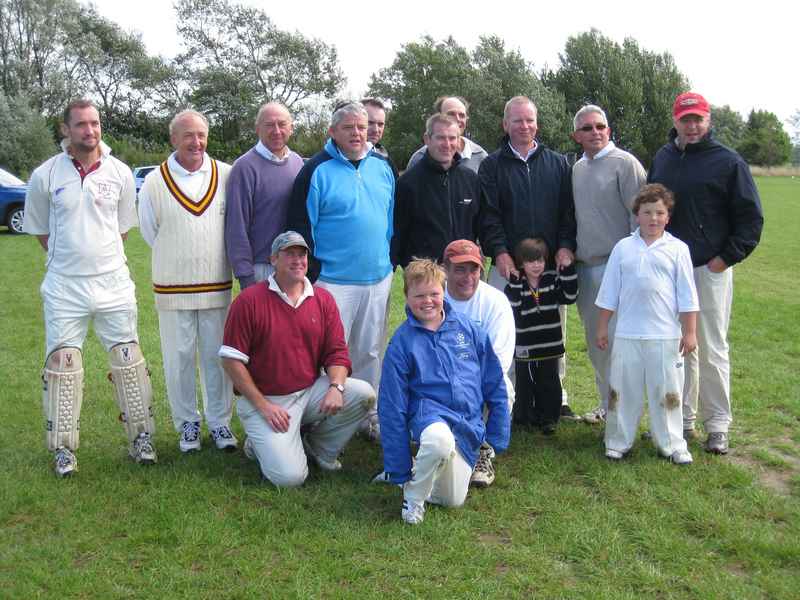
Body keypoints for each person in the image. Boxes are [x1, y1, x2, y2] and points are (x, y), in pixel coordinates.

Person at [23, 99, 157, 476]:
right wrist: (72, 260)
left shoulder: (119, 172)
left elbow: (123, 227)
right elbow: (41, 231)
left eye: (95, 123)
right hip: (65, 285)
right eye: (81, 124)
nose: (90, 131)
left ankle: (141, 438)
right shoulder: (45, 175)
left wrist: (98, 260)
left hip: (113, 281)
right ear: (66, 129)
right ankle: (64, 449)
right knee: (64, 364)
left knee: (128, 359)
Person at [647, 92, 763, 454]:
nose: (692, 126)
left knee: (711, 347)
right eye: (686, 119)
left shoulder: (728, 162)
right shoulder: (664, 158)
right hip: (668, 270)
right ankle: (681, 419)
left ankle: (718, 425)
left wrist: (723, 259)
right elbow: (651, 206)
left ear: (708, 119)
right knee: (676, 347)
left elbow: (750, 219)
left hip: (708, 268)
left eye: (698, 119)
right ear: (675, 119)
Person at [219, 231, 375, 487]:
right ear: (273, 259)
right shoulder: (249, 301)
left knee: (363, 393)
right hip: (266, 400)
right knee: (290, 478)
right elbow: (231, 360)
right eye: (289, 254)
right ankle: (256, 445)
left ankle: (319, 448)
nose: (297, 260)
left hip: (308, 391)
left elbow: (337, 352)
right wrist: (263, 406)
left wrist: (336, 387)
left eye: (301, 254)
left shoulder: (322, 299)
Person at [287, 101, 394, 440]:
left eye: (362, 128)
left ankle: (368, 414)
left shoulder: (383, 167)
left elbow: (391, 220)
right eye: (349, 128)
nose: (358, 134)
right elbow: (301, 227)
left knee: (370, 351)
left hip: (377, 278)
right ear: (332, 132)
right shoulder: (315, 170)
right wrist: (311, 276)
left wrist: (387, 262)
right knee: (328, 355)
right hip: (332, 282)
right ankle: (320, 420)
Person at [378, 259, 510, 524]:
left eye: (434, 294)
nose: (428, 301)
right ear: (406, 296)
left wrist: (496, 433)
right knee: (439, 442)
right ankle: (413, 496)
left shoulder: (468, 330)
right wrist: (398, 466)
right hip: (429, 417)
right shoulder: (402, 343)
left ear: (444, 291)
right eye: (419, 295)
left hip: (466, 424)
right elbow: (391, 406)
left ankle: (425, 467)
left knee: (452, 500)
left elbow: (494, 382)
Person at [138, 109, 236, 453]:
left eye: (201, 135)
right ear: (173, 139)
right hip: (172, 287)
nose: (196, 142)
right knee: (178, 358)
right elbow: (151, 232)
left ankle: (221, 422)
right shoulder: (154, 181)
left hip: (216, 285)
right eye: (188, 135)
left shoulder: (226, 174)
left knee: (217, 356)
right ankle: (187, 424)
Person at [479, 95, 579, 421]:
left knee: (554, 330)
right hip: (509, 267)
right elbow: (489, 215)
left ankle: (556, 397)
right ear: (505, 124)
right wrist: (501, 252)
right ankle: (507, 398)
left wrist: (564, 245)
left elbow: (567, 212)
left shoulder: (557, 163)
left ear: (537, 123)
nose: (525, 126)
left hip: (547, 266)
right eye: (518, 120)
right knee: (507, 330)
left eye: (530, 120)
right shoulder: (492, 165)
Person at [595, 184, 699, 464]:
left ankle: (672, 444)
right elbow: (609, 292)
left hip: (665, 336)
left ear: (668, 217)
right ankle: (618, 440)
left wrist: (689, 332)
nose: (653, 218)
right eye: (647, 212)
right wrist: (603, 327)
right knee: (622, 391)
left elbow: (688, 295)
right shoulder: (623, 248)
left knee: (666, 392)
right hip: (628, 333)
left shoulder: (678, 249)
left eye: (659, 213)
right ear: (637, 215)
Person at [570, 104, 647, 424]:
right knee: (597, 344)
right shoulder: (577, 168)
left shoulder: (625, 164)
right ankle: (608, 404)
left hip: (617, 269)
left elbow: (642, 219)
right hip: (585, 269)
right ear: (576, 135)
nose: (595, 132)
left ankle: (625, 412)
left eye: (600, 126)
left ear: (608, 130)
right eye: (587, 128)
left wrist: (633, 268)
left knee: (619, 345)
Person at [443, 239, 515, 487]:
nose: (467, 277)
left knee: (504, 389)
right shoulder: (433, 296)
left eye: (473, 269)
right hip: (441, 379)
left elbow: (499, 361)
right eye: (459, 269)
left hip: (482, 378)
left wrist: (467, 387)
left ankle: (484, 452)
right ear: (445, 270)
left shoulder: (496, 301)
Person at [225, 102, 304, 289]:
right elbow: (236, 225)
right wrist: (245, 275)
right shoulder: (244, 167)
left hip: (295, 264)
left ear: (291, 128)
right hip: (261, 268)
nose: (276, 130)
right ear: (257, 129)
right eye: (269, 125)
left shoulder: (298, 163)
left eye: (282, 124)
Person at [505, 238, 577, 434]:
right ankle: (525, 417)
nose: (536, 265)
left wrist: (568, 271)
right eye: (530, 261)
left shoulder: (551, 281)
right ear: (521, 263)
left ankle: (549, 419)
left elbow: (570, 297)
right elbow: (513, 307)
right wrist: (514, 283)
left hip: (549, 345)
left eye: (540, 261)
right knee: (525, 383)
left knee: (549, 382)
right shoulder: (516, 285)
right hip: (525, 346)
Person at [391, 114, 480, 269]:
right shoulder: (408, 183)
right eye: (441, 138)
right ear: (427, 139)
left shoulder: (470, 179)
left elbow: (480, 225)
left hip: (464, 272)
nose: (447, 144)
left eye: (452, 138)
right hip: (425, 276)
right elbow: (398, 234)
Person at [406, 96, 488, 173]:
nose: (457, 119)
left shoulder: (480, 156)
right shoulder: (419, 158)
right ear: (437, 117)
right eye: (451, 114)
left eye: (462, 115)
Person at [361, 97, 398, 178]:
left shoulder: (387, 161)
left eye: (380, 124)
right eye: (370, 123)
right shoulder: (334, 161)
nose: (376, 130)